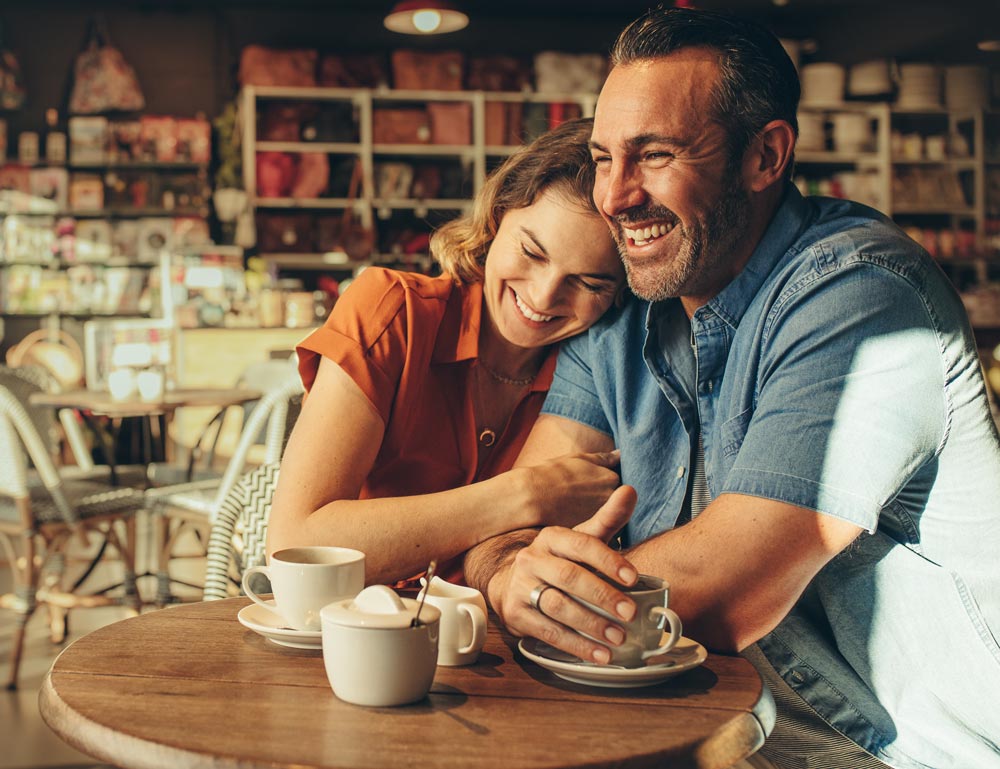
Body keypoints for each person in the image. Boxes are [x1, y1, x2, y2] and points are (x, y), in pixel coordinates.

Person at [463, 8, 1000, 769]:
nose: (614, 196)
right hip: (704, 737)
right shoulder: (621, 313)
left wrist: (534, 588)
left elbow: (722, 592)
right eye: (603, 157)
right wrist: (509, 572)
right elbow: (509, 521)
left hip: (883, 755)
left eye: (653, 155)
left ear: (765, 156)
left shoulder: (864, 298)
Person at [266, 118, 625, 587]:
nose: (543, 296)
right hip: (357, 638)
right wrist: (524, 494)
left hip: (500, 649)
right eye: (532, 253)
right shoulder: (392, 310)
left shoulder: (600, 372)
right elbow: (293, 548)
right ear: (497, 217)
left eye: (588, 282)